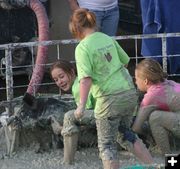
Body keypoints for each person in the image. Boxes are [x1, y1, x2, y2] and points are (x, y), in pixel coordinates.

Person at [69, 8, 153, 169]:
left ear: (76, 29)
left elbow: (85, 79)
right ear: (93, 22)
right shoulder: (107, 38)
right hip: (128, 92)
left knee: (106, 144)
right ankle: (153, 165)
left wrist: (81, 106)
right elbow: (125, 61)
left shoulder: (82, 48)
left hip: (108, 98)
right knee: (125, 134)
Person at [50, 60, 96, 165]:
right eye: (56, 80)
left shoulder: (78, 87)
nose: (59, 82)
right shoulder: (79, 82)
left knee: (69, 117)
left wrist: (63, 129)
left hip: (103, 113)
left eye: (61, 76)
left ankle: (67, 162)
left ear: (71, 72)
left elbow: (87, 112)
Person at [132, 58, 180, 154]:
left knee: (155, 117)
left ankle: (166, 154)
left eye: (136, 79)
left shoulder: (151, 96)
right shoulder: (169, 83)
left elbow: (136, 128)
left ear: (145, 81)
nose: (135, 82)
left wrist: (149, 135)